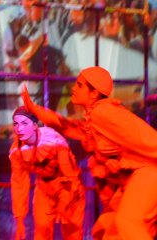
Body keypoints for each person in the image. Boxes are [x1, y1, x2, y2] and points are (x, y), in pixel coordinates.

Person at [21, 66, 157, 240]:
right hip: (135, 178)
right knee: (104, 232)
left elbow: (143, 136)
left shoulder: (104, 113)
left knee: (128, 222)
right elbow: (64, 125)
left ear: (94, 94)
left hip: (149, 173)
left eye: (79, 85)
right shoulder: (94, 119)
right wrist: (33, 108)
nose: (73, 88)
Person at [9, 106, 85, 240]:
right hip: (44, 190)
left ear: (34, 125)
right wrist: (19, 219)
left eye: (24, 123)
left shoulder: (53, 140)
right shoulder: (16, 151)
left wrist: (63, 203)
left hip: (69, 189)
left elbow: (69, 175)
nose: (19, 129)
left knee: (72, 234)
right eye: (16, 124)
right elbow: (19, 184)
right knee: (41, 232)